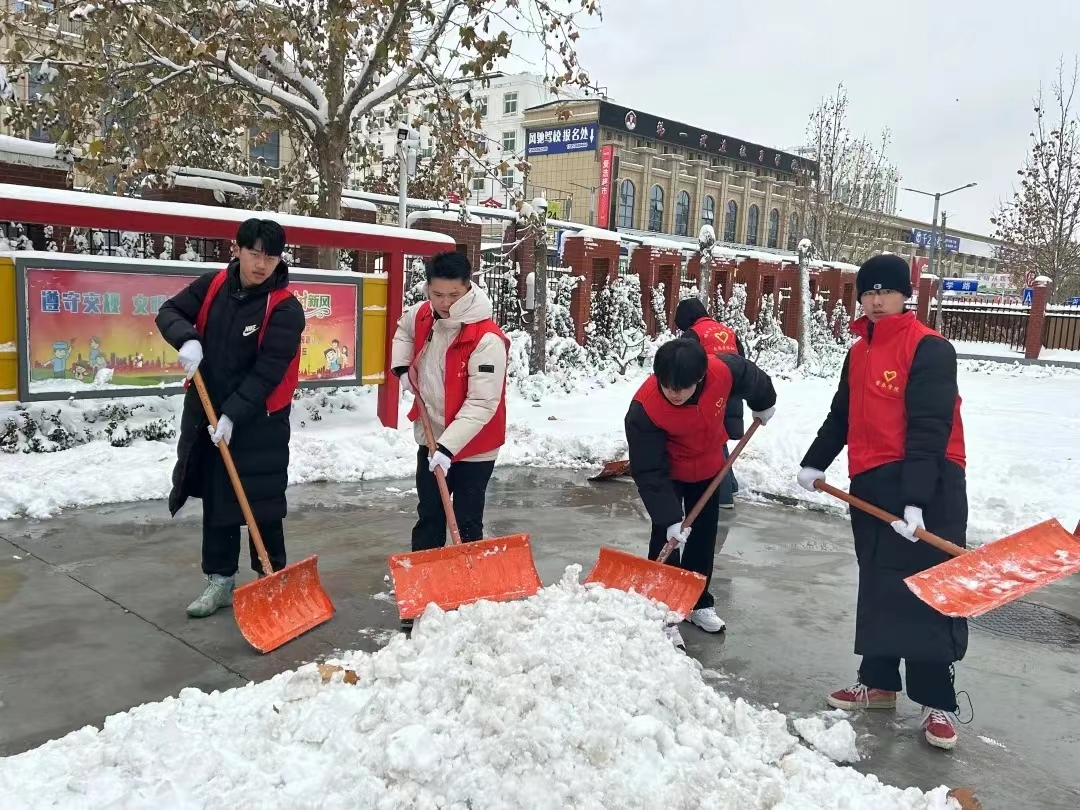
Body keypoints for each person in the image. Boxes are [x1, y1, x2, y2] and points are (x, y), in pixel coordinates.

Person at [797, 253, 968, 751]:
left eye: (886, 291)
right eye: (868, 292)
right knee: (878, 583)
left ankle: (937, 703)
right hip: (871, 480)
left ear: (905, 296)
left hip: (930, 482)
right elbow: (842, 414)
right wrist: (815, 462)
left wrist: (916, 499)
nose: (875, 300)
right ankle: (878, 684)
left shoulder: (930, 348)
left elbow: (930, 428)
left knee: (927, 591)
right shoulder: (858, 351)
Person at [156, 218, 304, 618]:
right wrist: (186, 338)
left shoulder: (284, 307)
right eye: (255, 253)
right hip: (206, 412)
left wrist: (234, 414)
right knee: (218, 499)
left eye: (271, 257)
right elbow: (169, 311)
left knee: (262, 503)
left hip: (260, 422)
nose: (262, 264)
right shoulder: (213, 285)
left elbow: (270, 369)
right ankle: (219, 581)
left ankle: (270, 578)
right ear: (236, 249)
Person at [625, 338, 777, 649]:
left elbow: (751, 376)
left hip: (709, 466)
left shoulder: (722, 371)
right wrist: (670, 517)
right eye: (668, 386)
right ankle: (662, 610)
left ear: (700, 377)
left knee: (704, 537)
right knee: (666, 537)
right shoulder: (645, 408)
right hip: (668, 471)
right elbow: (648, 469)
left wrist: (764, 402)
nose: (674, 393)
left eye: (682, 387)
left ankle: (698, 602)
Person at [391, 252, 509, 565]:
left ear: (468, 287)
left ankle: (468, 576)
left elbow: (482, 402)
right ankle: (426, 576)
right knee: (430, 514)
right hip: (432, 435)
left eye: (454, 295)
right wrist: (402, 368)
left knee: (467, 518)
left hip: (475, 444)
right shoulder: (422, 315)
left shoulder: (486, 339)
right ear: (428, 289)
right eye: (438, 294)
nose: (445, 303)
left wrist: (447, 448)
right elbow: (403, 330)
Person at [674, 297, 744, 509]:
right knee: (719, 439)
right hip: (734, 390)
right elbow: (744, 363)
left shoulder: (693, 334)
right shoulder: (727, 332)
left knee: (712, 442)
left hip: (711, 393)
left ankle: (723, 497)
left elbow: (683, 367)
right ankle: (731, 485)